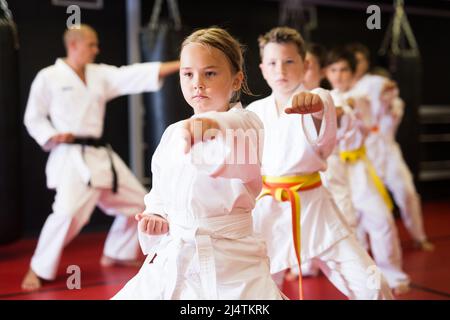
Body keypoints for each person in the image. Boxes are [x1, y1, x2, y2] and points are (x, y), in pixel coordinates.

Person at [112, 27, 283, 300]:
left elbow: (233, 127)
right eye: (188, 73)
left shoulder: (247, 123)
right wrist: (156, 215)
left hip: (232, 263)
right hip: (177, 253)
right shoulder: (173, 133)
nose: (197, 83)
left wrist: (212, 125)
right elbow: (160, 193)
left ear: (237, 80)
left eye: (210, 73)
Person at [21, 24, 180, 291]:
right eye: (91, 45)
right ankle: (38, 268)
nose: (96, 49)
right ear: (74, 45)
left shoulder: (99, 75)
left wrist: (181, 63)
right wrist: (51, 134)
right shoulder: (48, 77)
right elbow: (33, 116)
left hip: (100, 155)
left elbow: (134, 74)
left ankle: (117, 252)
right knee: (67, 213)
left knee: (138, 205)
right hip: (71, 157)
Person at [247, 27, 393, 300]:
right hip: (268, 211)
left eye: (289, 61)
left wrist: (317, 108)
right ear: (263, 69)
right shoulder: (253, 112)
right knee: (256, 291)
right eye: (272, 63)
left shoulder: (321, 98)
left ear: (306, 65)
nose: (281, 70)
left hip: (314, 207)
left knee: (371, 285)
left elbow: (333, 111)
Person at [324, 47, 411, 295]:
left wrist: (380, 94)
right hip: (333, 169)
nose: (339, 75)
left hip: (359, 166)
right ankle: (357, 278)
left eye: (343, 70)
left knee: (381, 219)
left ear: (353, 73)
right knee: (346, 226)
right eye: (333, 70)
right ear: (326, 73)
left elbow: (366, 113)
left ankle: (393, 272)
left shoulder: (360, 96)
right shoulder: (324, 97)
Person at [347, 43, 433, 251]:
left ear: (365, 63)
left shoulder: (375, 82)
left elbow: (390, 92)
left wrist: (388, 98)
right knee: (359, 204)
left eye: (358, 61)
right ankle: (362, 248)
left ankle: (419, 236)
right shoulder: (344, 89)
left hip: (386, 147)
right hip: (362, 154)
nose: (355, 65)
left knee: (407, 192)